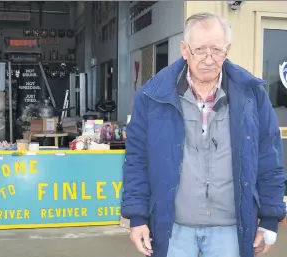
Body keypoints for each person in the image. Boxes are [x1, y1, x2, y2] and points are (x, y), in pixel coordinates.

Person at [121, 12, 286, 257]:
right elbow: (136, 161)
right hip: (173, 228)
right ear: (185, 49)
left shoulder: (252, 95)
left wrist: (270, 219)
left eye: (216, 50)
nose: (209, 59)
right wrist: (137, 217)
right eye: (200, 50)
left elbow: (268, 157)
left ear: (227, 50)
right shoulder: (152, 97)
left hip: (231, 229)